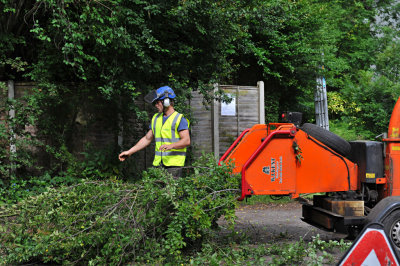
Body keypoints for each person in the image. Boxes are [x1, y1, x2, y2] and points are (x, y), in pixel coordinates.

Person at [118, 86, 190, 178]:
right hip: (158, 165)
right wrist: (130, 152)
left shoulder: (179, 119)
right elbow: (147, 138)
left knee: (170, 192)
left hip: (173, 166)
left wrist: (170, 146)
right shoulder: (156, 118)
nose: (156, 105)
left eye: (157, 102)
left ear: (166, 101)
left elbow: (186, 140)